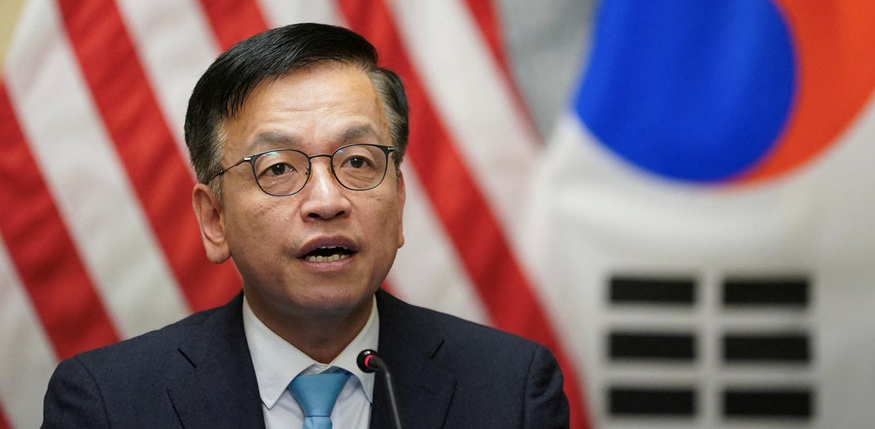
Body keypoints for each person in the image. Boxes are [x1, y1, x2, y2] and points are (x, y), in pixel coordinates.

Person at [41, 23, 570, 428]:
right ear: (215, 219)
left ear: (400, 200)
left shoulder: (511, 391)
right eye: (278, 169)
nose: (327, 200)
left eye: (359, 162)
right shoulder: (110, 403)